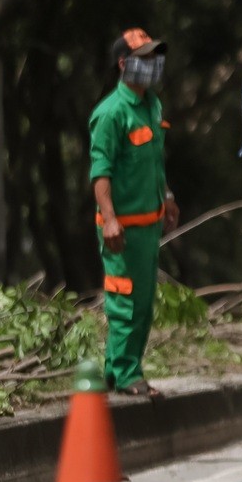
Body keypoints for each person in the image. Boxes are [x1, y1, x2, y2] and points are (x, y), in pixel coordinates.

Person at [89, 29, 180, 396]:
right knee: (125, 300)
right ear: (124, 64)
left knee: (143, 303)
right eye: (144, 58)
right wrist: (110, 219)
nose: (153, 64)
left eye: (154, 56)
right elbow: (101, 172)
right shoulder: (110, 114)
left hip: (149, 226)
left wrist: (167, 197)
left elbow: (154, 162)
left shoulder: (151, 106)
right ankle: (127, 375)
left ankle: (117, 371)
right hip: (121, 229)